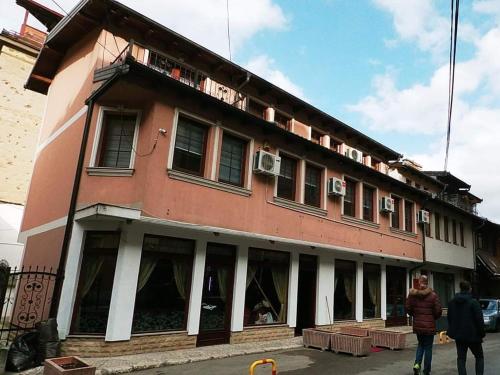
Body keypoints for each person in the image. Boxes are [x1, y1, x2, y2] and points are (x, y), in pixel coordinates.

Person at [406, 275, 442, 375]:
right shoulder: (433, 295)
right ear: (427, 282)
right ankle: (426, 370)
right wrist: (432, 318)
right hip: (429, 326)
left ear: (419, 282)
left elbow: (408, 308)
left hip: (418, 325)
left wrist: (415, 315)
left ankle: (417, 365)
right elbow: (438, 310)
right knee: (428, 348)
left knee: (420, 345)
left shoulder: (412, 295)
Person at [447, 280, 485, 375]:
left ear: (460, 288)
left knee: (461, 358)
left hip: (459, 335)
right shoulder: (473, 302)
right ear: (470, 289)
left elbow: (450, 317)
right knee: (479, 357)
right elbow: (479, 319)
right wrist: (482, 333)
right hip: (473, 335)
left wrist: (453, 330)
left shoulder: (452, 302)